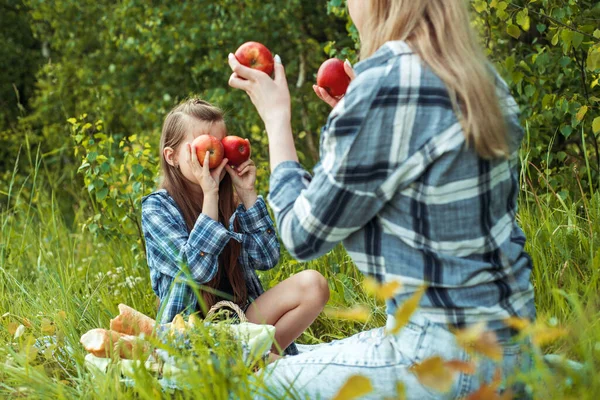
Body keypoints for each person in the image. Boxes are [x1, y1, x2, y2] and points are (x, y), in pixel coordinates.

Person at [227, 0, 534, 397]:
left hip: (438, 358)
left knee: (241, 383)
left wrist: (276, 118)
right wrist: (358, 125)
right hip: (512, 347)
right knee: (290, 358)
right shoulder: (480, 77)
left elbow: (301, 235)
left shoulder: (387, 82)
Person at [141, 98, 330, 357]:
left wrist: (248, 193)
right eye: (202, 145)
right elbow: (196, 270)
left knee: (314, 285)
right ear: (172, 157)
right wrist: (210, 196)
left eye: (218, 144)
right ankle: (260, 360)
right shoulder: (157, 208)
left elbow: (266, 258)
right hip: (191, 338)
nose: (213, 155)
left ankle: (257, 359)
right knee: (261, 359)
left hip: (242, 324)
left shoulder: (231, 201)